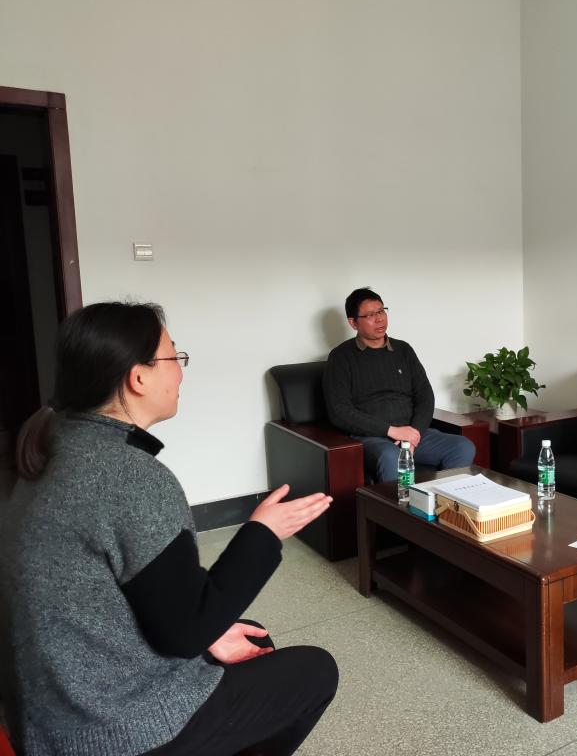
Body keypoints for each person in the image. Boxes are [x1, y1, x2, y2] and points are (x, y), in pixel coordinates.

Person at [0, 302, 339, 756]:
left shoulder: (50, 444)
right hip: (108, 730)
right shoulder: (128, 475)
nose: (180, 371)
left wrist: (211, 632)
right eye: (174, 357)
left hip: (51, 714)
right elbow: (184, 634)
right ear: (138, 378)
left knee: (249, 635)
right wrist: (262, 533)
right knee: (315, 670)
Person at [323, 287, 475, 481]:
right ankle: (404, 502)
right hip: (372, 438)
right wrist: (392, 431)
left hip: (412, 432)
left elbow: (425, 395)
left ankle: (443, 499)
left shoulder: (403, 350)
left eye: (381, 311)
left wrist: (414, 434)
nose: (379, 319)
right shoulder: (341, 357)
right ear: (353, 323)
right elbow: (339, 411)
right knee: (393, 458)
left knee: (462, 447)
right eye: (370, 315)